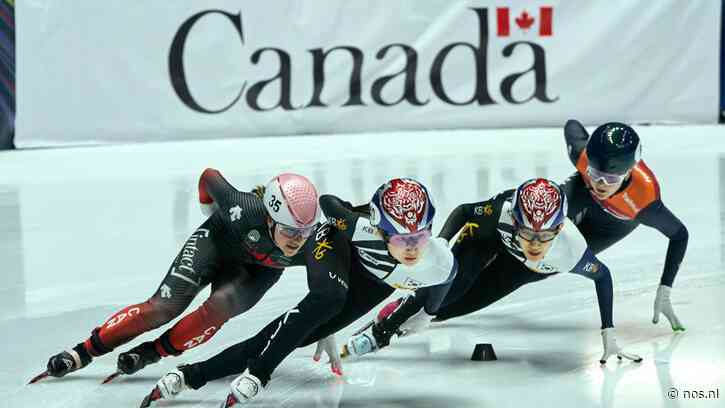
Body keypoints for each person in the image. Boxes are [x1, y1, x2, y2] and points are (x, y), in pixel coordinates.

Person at [140, 178, 457, 407]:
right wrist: (323, 295)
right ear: (380, 229)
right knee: (327, 300)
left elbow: (444, 281)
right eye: (402, 239)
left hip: (376, 281)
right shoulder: (358, 227)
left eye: (421, 235)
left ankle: (191, 374)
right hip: (334, 245)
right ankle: (259, 373)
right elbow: (329, 204)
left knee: (291, 335)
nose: (413, 247)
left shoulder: (439, 261)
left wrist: (428, 312)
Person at [29, 169, 321, 384]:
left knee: (220, 308)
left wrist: (325, 326)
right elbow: (209, 177)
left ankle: (152, 352)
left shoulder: (310, 246)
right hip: (217, 242)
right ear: (269, 217)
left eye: (305, 232)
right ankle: (85, 350)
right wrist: (208, 210)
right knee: (162, 307)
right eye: (290, 230)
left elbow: (331, 284)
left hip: (258, 272)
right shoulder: (241, 206)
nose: (297, 240)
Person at [346, 178, 641, 366]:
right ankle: (382, 330)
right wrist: (443, 247)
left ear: (560, 228)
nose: (534, 243)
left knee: (452, 308)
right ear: (514, 219)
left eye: (545, 235)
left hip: (521, 269)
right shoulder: (499, 211)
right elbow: (463, 211)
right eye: (526, 232)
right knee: (450, 287)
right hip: (484, 241)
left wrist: (608, 330)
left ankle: (402, 314)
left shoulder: (571, 250)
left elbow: (602, 276)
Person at [562, 120, 688, 331]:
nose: (601, 184)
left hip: (616, 223)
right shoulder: (584, 157)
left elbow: (680, 235)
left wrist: (665, 289)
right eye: (596, 175)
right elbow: (572, 127)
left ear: (628, 173)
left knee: (560, 258)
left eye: (610, 178)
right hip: (584, 193)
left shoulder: (645, 201)